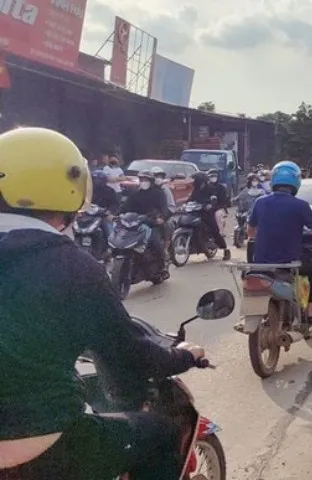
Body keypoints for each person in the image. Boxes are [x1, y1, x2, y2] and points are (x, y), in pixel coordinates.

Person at [0, 127, 206, 479]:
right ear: (70, 183)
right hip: (36, 440)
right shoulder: (71, 264)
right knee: (163, 434)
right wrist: (184, 355)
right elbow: (126, 350)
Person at [247, 161, 312, 322]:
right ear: (296, 182)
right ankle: (311, 310)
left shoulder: (260, 202)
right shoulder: (301, 205)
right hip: (289, 263)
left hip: (261, 263)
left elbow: (250, 232)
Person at [119, 170, 170, 274]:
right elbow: (125, 207)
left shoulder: (159, 194)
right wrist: (116, 214)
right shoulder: (135, 194)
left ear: (151, 181)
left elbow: (164, 209)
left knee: (155, 243)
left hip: (151, 224)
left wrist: (161, 218)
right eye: (141, 180)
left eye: (145, 180)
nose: (143, 182)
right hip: (134, 224)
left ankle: (162, 265)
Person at [188, 172, 231, 261]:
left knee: (215, 230)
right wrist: (184, 205)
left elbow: (214, 200)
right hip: (196, 212)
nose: (195, 182)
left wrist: (210, 205)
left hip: (207, 212)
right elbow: (191, 199)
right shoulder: (196, 190)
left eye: (197, 180)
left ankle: (225, 249)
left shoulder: (210, 188)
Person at [151, 167, 177, 254]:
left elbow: (171, 207)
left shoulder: (165, 190)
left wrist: (163, 217)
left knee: (168, 225)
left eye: (160, 176)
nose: (158, 178)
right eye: (156, 176)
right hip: (149, 216)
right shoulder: (146, 189)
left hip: (163, 216)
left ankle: (165, 250)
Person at [90, 170, 119, 240]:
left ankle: (111, 248)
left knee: (110, 233)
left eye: (98, 180)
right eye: (94, 179)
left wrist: (109, 212)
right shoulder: (88, 190)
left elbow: (114, 204)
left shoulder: (110, 191)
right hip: (87, 216)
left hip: (103, 216)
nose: (96, 182)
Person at [206, 168, 231, 235]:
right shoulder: (205, 187)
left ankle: (220, 232)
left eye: (215, 176)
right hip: (206, 207)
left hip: (219, 207)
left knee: (218, 215)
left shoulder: (222, 188)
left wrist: (215, 206)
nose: (213, 178)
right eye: (211, 176)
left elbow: (223, 201)